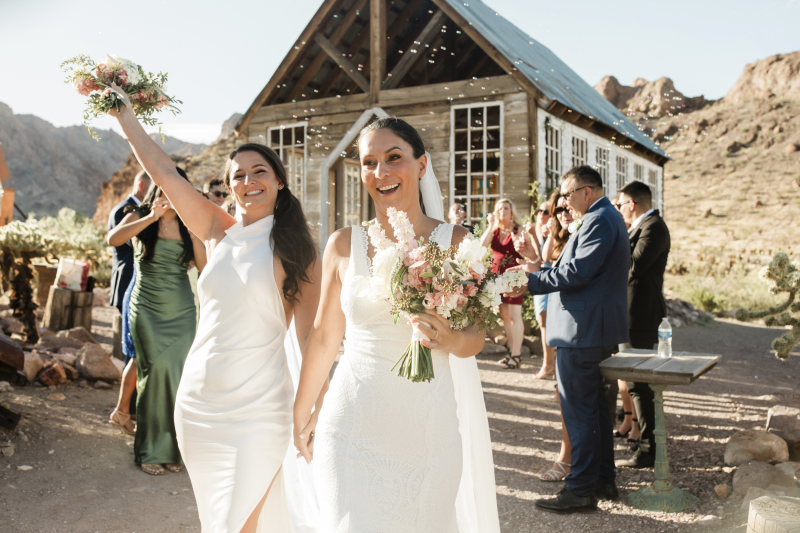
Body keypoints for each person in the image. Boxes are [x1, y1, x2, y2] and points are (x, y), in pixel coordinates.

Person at [108, 84, 321, 532]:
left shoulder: (297, 250)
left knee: (236, 524)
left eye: (259, 171)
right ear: (229, 186)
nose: (248, 182)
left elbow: (310, 339)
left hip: (261, 408)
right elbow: (165, 172)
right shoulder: (215, 230)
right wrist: (125, 118)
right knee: (220, 520)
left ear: (279, 181)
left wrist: (311, 409)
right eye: (238, 175)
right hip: (200, 403)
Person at [293, 117, 501, 532]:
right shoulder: (342, 244)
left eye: (393, 158)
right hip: (349, 428)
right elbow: (322, 340)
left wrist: (452, 337)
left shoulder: (458, 243)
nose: (381, 172)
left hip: (426, 434)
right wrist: (301, 415)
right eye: (369, 163)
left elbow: (475, 339)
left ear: (421, 165)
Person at [508, 165, 629, 513]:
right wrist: (537, 270)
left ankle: (579, 490)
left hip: (583, 330)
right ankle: (603, 479)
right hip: (590, 327)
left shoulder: (598, 220)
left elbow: (577, 272)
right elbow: (575, 269)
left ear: (586, 192)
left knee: (580, 412)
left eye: (567, 194)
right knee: (595, 411)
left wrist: (529, 283)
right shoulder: (604, 217)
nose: (564, 202)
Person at [108, 168, 207, 475]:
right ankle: (151, 451)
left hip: (180, 311)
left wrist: (194, 230)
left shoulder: (190, 222)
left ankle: (174, 449)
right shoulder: (138, 214)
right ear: (158, 188)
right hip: (146, 308)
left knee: (177, 378)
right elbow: (114, 239)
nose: (171, 195)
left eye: (179, 189)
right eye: (166, 188)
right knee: (151, 377)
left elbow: (204, 267)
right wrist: (151, 217)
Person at [615, 181, 671, 470]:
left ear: (632, 204)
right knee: (632, 380)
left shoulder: (654, 227)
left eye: (620, 204)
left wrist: (617, 237)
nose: (618, 209)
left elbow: (634, 265)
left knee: (639, 383)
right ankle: (644, 442)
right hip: (628, 314)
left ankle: (649, 448)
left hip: (641, 315)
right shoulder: (640, 227)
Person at [106, 170, 150, 436]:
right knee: (132, 349)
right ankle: (127, 410)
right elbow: (122, 243)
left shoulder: (127, 206)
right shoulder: (129, 209)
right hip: (129, 280)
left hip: (130, 279)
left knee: (132, 349)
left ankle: (129, 409)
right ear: (143, 185)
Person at [481, 198, 531, 370]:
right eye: (500, 208)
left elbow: (527, 250)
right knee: (506, 316)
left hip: (515, 276)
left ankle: (516, 355)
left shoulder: (518, 229)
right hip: (497, 277)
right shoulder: (494, 231)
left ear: (511, 211)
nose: (503, 211)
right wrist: (490, 225)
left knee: (515, 315)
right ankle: (511, 352)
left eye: (506, 208)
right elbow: (481, 247)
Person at [108, 170, 150, 312]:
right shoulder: (124, 210)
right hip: (127, 280)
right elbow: (128, 240)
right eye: (153, 188)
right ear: (141, 185)